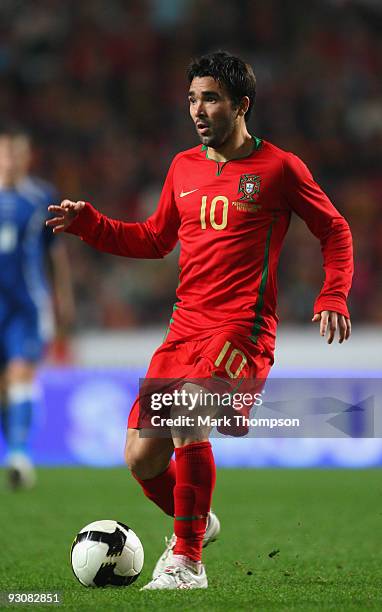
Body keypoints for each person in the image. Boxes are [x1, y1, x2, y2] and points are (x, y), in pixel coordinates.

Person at [47, 51, 353, 589]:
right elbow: (154, 239)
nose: (197, 109)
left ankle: (187, 561)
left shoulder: (280, 168)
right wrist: (90, 224)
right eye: (192, 98)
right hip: (183, 329)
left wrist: (333, 293)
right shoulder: (182, 167)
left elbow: (335, 231)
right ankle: (198, 521)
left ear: (241, 105)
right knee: (141, 458)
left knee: (190, 408)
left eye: (210, 98)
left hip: (242, 330)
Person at [0, 125, 74, 489]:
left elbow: (55, 254)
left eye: (16, 154)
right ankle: (15, 445)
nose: (10, 161)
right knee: (6, 387)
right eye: (5, 154)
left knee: (19, 374)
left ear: (27, 158)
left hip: (27, 307)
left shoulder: (42, 197)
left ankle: (19, 456)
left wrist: (65, 301)